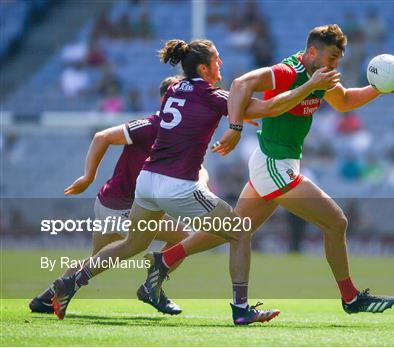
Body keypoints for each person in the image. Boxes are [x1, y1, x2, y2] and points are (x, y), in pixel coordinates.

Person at [51, 38, 340, 323]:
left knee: (132, 244)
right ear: (204, 69)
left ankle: (71, 282)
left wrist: (236, 112)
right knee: (240, 232)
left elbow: (212, 108)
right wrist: (309, 86)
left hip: (148, 181)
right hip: (178, 186)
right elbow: (270, 108)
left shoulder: (175, 88)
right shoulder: (213, 97)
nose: (221, 63)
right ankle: (241, 309)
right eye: (216, 59)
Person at [150, 24, 394, 318]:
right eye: (332, 58)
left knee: (234, 231)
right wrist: (236, 127)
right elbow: (241, 83)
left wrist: (379, 88)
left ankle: (164, 261)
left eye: (338, 60)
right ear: (313, 52)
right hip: (273, 164)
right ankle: (350, 297)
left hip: (276, 162)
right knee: (336, 222)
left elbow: (343, 101)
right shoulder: (288, 72)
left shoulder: (320, 74)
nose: (335, 66)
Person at [30, 76, 199, 316]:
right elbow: (102, 137)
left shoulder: (180, 134)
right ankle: (153, 288)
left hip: (111, 201)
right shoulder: (151, 125)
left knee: (96, 260)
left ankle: (45, 299)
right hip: (121, 205)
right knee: (183, 237)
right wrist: (87, 176)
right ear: (165, 100)